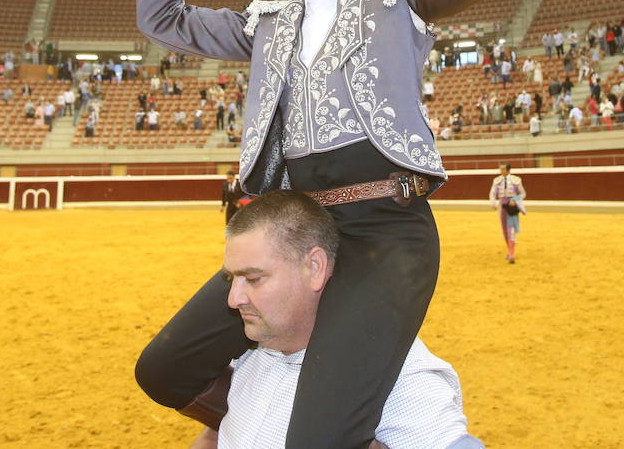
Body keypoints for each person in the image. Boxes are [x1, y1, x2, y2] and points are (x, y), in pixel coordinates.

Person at [134, 0, 520, 448]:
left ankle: (332, 417)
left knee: (315, 438)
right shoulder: (263, 25)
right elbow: (162, 17)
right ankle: (311, 414)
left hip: (386, 230)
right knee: (163, 368)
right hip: (293, 236)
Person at [189, 191, 480, 449]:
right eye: (232, 279)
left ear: (314, 267)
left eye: (253, 278)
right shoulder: (248, 350)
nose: (233, 299)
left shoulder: (392, 374)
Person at [488, 163, 526, 264]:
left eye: (503, 169)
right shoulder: (497, 180)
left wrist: (515, 199)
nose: (501, 171)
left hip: (512, 206)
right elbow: (492, 193)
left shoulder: (516, 180)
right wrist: (493, 203)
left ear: (508, 170)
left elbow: (523, 193)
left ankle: (511, 254)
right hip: (502, 206)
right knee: (505, 231)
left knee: (511, 230)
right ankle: (509, 251)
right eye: (500, 169)